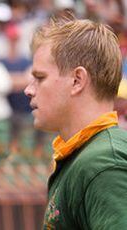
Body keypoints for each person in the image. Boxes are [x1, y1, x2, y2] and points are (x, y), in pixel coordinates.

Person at [24, 14, 127, 228]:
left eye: (40, 78)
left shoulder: (104, 163)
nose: (29, 90)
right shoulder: (87, 153)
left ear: (77, 80)